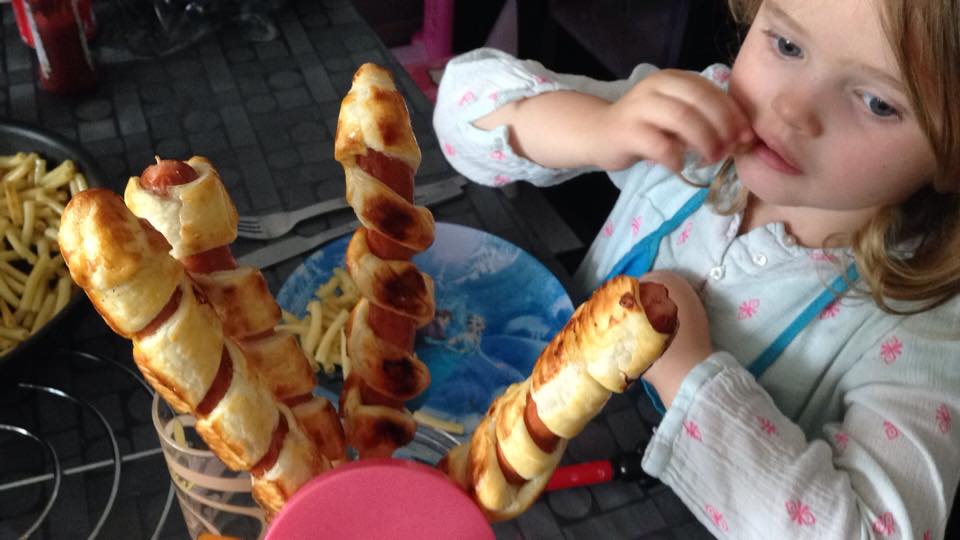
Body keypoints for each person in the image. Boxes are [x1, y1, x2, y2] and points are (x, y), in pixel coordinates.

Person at [432, 0, 960, 537]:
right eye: (787, 45)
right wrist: (598, 128)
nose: (792, 109)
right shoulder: (696, 125)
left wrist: (683, 367)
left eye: (877, 103)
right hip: (485, 435)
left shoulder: (926, 326)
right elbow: (459, 109)